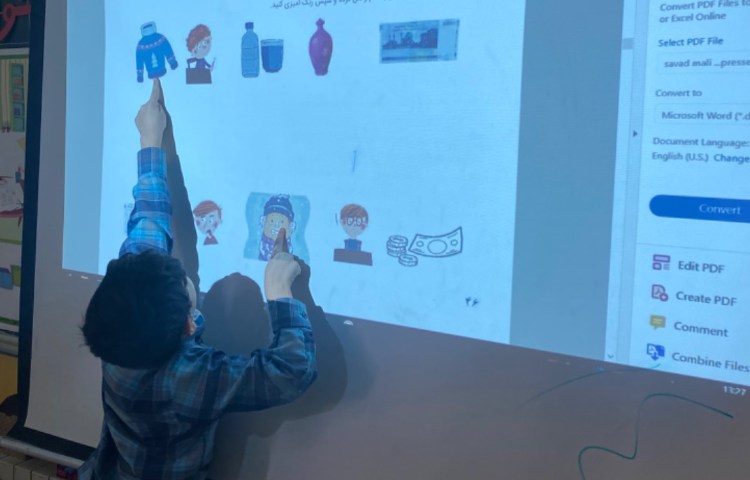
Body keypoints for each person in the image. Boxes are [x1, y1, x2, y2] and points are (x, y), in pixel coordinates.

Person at [78, 79, 317, 480]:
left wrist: (150, 139)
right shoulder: (191, 377)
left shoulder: (120, 336)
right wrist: (279, 289)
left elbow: (147, 223)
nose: (179, 270)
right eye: (184, 283)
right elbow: (291, 372)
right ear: (190, 325)